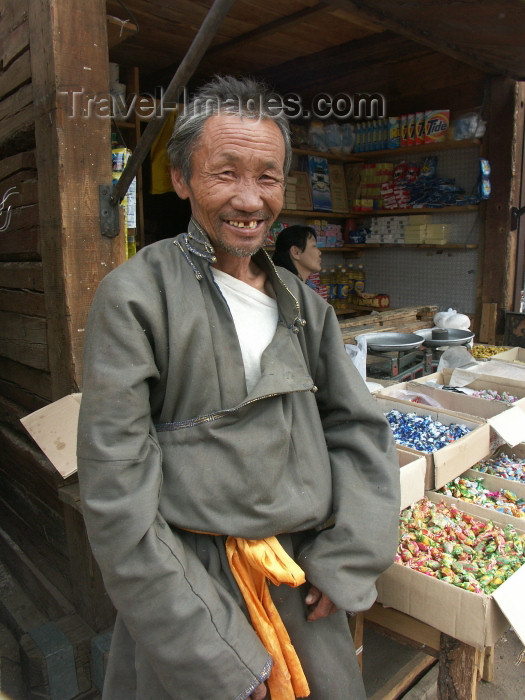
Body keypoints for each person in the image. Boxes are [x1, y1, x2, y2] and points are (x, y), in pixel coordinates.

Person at [76, 75, 400, 700]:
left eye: (268, 177)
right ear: (182, 178)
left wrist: (344, 562)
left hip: (300, 589)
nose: (250, 200)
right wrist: (218, 655)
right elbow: (117, 496)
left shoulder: (306, 309)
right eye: (225, 173)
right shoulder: (137, 297)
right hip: (188, 598)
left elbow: (360, 435)